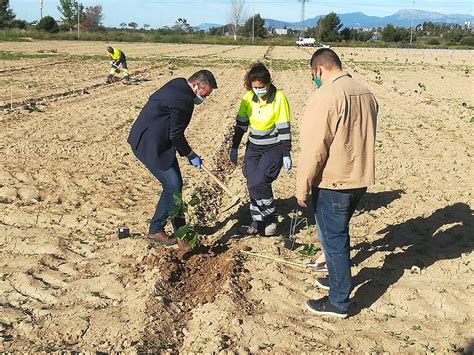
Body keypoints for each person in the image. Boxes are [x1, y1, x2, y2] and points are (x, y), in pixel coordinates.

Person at [295, 48, 378, 318]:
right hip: (359, 178)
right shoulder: (365, 92)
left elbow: (314, 148)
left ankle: (338, 301)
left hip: (334, 181)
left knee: (333, 240)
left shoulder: (326, 96)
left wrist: (302, 186)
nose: (314, 79)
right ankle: (336, 281)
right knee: (337, 234)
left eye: (313, 75)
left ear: (318, 69)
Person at [127, 70, 218, 251]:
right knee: (173, 187)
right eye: (204, 94)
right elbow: (176, 135)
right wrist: (191, 155)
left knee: (174, 185)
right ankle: (169, 233)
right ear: (195, 85)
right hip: (149, 145)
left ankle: (168, 231)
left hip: (156, 140)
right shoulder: (183, 101)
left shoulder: (178, 83)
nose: (204, 99)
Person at [230, 62, 292, 236]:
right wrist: (234, 147)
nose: (258, 90)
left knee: (259, 181)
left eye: (261, 87)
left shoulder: (279, 98)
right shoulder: (248, 98)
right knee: (252, 181)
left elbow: (283, 126)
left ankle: (271, 218)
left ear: (268, 83)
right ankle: (258, 221)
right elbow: (241, 125)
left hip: (274, 147)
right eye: (255, 87)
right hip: (254, 147)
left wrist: (286, 152)